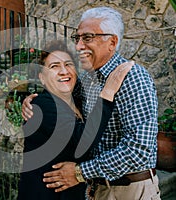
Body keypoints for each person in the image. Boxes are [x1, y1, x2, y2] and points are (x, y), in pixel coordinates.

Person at [22, 7, 160, 200]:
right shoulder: (87, 79)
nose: (78, 46)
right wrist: (32, 100)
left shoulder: (132, 77)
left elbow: (139, 151)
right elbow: (60, 93)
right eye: (77, 38)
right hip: (95, 189)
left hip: (128, 189)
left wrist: (80, 172)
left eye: (87, 38)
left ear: (112, 42)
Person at [18, 40, 133, 200]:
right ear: (42, 78)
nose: (64, 71)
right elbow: (83, 140)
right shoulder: (42, 106)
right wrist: (108, 92)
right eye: (54, 66)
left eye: (68, 64)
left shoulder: (78, 102)